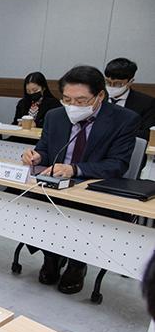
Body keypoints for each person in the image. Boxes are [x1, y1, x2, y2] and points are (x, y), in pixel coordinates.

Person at [21, 65, 138, 294]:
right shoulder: (56, 115)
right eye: (67, 99)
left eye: (81, 100)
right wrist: (35, 156)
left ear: (100, 96)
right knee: (25, 204)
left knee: (80, 213)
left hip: (93, 189)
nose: (73, 106)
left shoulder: (124, 120)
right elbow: (44, 149)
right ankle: (51, 256)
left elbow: (118, 164)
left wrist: (75, 169)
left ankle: (77, 264)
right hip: (56, 187)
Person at [104, 57, 155, 140]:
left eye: (118, 84)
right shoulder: (98, 97)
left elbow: (147, 133)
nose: (112, 87)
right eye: (108, 82)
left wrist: (116, 133)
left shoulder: (146, 103)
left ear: (130, 82)